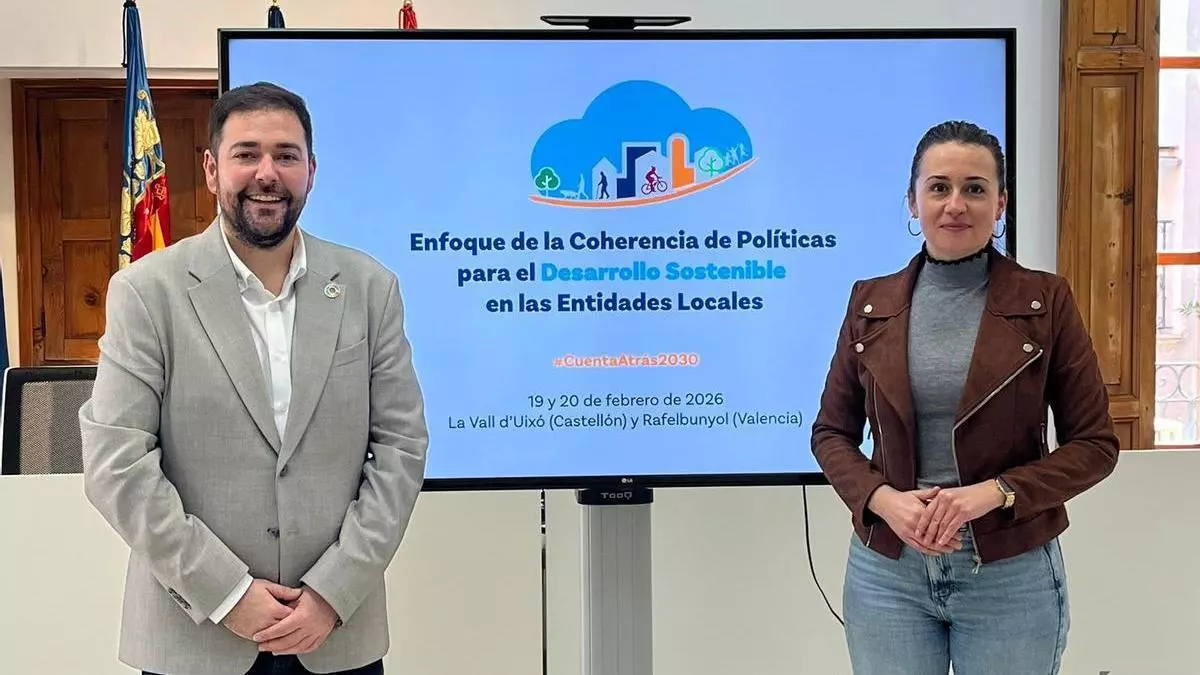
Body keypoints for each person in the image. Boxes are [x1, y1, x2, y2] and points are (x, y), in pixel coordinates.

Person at [79, 81, 429, 675]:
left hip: (334, 636)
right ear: (212, 170)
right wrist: (226, 593)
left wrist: (333, 591)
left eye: (286, 155)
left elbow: (401, 448)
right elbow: (117, 465)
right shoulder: (146, 293)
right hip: (194, 641)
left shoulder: (371, 289)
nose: (267, 173)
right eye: (246, 154)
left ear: (311, 172)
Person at [810, 120, 1119, 674]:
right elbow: (831, 433)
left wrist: (992, 494)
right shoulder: (870, 304)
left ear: (1000, 204)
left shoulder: (1046, 301)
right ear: (913, 202)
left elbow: (1095, 445)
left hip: (1009, 570)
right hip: (888, 572)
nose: (956, 204)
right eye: (939, 187)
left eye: (975, 188)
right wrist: (885, 500)